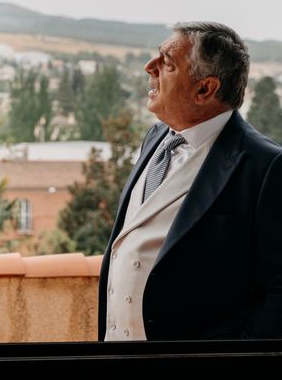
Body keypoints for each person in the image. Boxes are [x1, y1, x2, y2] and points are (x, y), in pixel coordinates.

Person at [99, 21, 282, 341]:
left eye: (166, 63)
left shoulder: (266, 166)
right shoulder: (155, 137)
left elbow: (280, 291)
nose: (149, 67)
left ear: (205, 89)